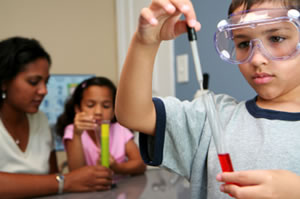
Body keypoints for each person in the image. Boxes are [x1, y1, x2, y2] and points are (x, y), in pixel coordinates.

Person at [115, 0, 300, 198]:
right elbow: (133, 115)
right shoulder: (213, 118)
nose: (256, 59)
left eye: (277, 38)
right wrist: (146, 43)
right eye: (244, 43)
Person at [0, 36, 113, 199]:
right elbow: (59, 181)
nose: (43, 91)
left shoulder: (40, 120)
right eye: (33, 82)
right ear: (4, 82)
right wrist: (67, 181)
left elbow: (52, 176)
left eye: (46, 82)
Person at [56, 76, 146, 176]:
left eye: (106, 106)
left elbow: (141, 165)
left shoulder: (120, 130)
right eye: (90, 105)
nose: (98, 112)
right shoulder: (72, 131)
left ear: (114, 111)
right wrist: (77, 134)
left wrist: (117, 167)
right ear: (78, 109)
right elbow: (75, 172)